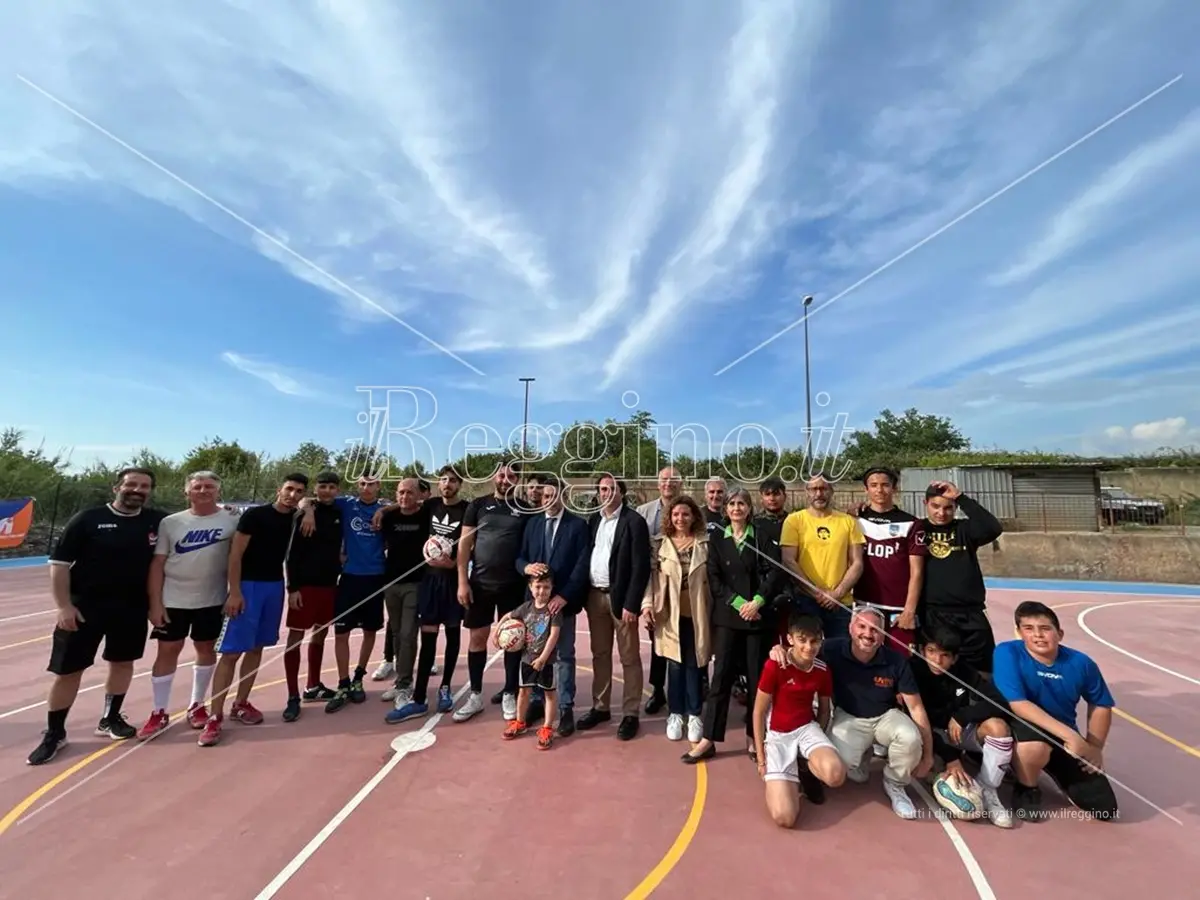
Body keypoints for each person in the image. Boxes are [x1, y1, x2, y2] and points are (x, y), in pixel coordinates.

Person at [27, 468, 165, 766]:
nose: (137, 490)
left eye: (144, 486)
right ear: (117, 486)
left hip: (131, 608)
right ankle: (55, 733)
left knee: (122, 663)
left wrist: (231, 512)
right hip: (84, 609)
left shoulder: (157, 521)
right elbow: (59, 564)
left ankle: (110, 719)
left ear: (150, 490)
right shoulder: (87, 520)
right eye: (131, 484)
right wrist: (63, 606)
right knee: (69, 671)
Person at [771, 606, 935, 818]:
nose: (868, 634)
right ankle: (861, 758)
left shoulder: (896, 661)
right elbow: (800, 649)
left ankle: (895, 784)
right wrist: (778, 648)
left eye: (875, 629)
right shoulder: (831, 649)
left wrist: (928, 755)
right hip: (848, 717)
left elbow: (916, 708)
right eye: (862, 626)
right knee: (837, 771)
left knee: (910, 737)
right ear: (850, 628)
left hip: (885, 716)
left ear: (882, 635)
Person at [200, 473, 307, 747]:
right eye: (289, 489)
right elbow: (234, 555)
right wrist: (234, 592)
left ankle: (241, 703)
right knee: (231, 652)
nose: (293, 495)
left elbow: (315, 502)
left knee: (257, 647)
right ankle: (215, 716)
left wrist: (311, 509)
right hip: (248, 587)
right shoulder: (255, 516)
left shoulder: (295, 518)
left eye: (299, 492)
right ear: (279, 489)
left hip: (274, 586)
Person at [137, 471, 241, 739]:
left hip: (213, 599)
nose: (204, 490)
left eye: (209, 486)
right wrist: (155, 603)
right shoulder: (170, 523)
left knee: (205, 648)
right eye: (198, 486)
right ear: (187, 492)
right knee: (168, 650)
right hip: (173, 599)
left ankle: (197, 705)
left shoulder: (233, 518)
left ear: (218, 490)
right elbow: (158, 563)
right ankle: (159, 711)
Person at [992, 601, 1119, 821]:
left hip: (1061, 732)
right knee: (1035, 747)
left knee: (1104, 808)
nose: (1038, 635)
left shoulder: (1081, 663)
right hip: (1024, 725)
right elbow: (1018, 704)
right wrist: (1071, 737)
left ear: (1059, 633)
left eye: (1045, 629)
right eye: (1029, 629)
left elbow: (1101, 704)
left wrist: (1094, 747)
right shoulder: (1007, 652)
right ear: (1019, 633)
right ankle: (1027, 787)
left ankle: (1052, 765)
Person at [685, 489, 782, 765]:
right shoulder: (717, 539)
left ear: (749, 509)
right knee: (721, 680)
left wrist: (758, 601)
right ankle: (709, 739)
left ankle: (754, 736)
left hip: (757, 618)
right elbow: (714, 579)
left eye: (742, 504)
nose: (736, 508)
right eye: (732, 504)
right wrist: (739, 603)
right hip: (729, 617)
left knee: (755, 681)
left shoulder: (761, 536)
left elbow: (774, 572)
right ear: (725, 510)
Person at [453, 462, 535, 723]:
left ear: (517, 480)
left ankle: (510, 691)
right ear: (493, 477)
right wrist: (462, 582)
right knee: (477, 638)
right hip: (480, 584)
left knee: (513, 639)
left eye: (511, 475)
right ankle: (476, 694)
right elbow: (464, 546)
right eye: (501, 474)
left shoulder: (526, 509)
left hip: (513, 585)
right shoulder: (477, 506)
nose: (505, 478)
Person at [299, 474, 388, 713]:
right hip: (349, 577)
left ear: (378, 485)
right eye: (362, 483)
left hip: (376, 577)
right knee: (342, 632)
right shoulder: (347, 504)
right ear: (356, 486)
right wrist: (307, 512)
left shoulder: (386, 508)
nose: (366, 487)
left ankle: (359, 676)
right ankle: (343, 682)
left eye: (371, 483)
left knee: (370, 631)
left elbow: (414, 503)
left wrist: (386, 510)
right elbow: (307, 500)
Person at [910, 628, 1014, 827]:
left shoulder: (964, 672)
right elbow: (915, 719)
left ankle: (988, 788)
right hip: (926, 735)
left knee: (998, 728)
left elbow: (999, 702)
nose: (937, 660)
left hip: (957, 732)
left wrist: (962, 716)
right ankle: (940, 770)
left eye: (945, 655)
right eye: (931, 651)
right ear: (923, 651)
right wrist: (951, 758)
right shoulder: (912, 670)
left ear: (955, 658)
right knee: (928, 761)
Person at [386, 465, 467, 723]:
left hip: (453, 581)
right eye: (443, 480)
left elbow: (471, 544)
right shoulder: (431, 505)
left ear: (459, 485)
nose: (447, 484)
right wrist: (382, 509)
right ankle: (419, 698)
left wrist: (454, 565)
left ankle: (445, 688)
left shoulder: (468, 509)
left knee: (453, 636)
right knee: (428, 637)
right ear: (438, 484)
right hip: (430, 582)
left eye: (453, 481)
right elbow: (403, 506)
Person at [513, 473, 590, 737]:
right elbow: (519, 557)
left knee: (564, 657)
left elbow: (582, 566)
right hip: (535, 608)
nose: (549, 500)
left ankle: (566, 708)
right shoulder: (532, 524)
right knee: (534, 655)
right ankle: (536, 700)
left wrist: (564, 595)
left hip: (561, 605)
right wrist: (526, 567)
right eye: (545, 496)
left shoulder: (578, 526)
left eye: (554, 495)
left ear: (563, 497)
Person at [753, 612, 847, 828]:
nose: (808, 647)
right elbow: (758, 712)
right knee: (785, 818)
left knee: (835, 775)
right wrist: (761, 758)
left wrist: (818, 741)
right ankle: (790, 777)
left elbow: (824, 710)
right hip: (778, 735)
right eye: (802, 640)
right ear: (790, 639)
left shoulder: (822, 671)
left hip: (806, 728)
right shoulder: (775, 666)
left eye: (814, 641)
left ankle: (804, 765)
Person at [576, 475, 652, 741]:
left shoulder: (634, 521)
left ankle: (630, 713)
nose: (606, 492)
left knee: (629, 657)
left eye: (611, 488)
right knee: (600, 654)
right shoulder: (594, 520)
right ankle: (601, 707)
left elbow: (641, 566)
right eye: (602, 489)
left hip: (622, 601)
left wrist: (632, 603)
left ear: (621, 491)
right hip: (595, 596)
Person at [642, 496, 712, 744]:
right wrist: (647, 605)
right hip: (669, 613)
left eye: (686, 514)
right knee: (674, 664)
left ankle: (694, 714)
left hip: (698, 613)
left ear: (694, 516)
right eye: (676, 515)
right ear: (669, 517)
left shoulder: (706, 543)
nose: (680, 519)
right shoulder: (659, 544)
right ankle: (675, 713)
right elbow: (650, 578)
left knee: (695, 664)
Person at [918, 481, 1003, 673]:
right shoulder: (917, 529)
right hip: (934, 615)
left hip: (971, 616)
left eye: (949, 507)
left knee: (983, 671)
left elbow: (993, 528)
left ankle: (977, 703)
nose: (942, 513)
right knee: (938, 671)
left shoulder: (965, 529)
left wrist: (961, 497)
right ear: (925, 503)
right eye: (936, 506)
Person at [280, 470, 343, 722]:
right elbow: (291, 554)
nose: (327, 491)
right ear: (315, 489)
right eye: (323, 486)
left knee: (321, 633)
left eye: (331, 487)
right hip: (304, 586)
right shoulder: (302, 514)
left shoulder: (339, 512)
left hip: (329, 584)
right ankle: (292, 695)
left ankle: (313, 685)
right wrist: (292, 588)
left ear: (337, 490)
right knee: (296, 637)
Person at [779, 473, 864, 636]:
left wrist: (837, 594)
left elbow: (857, 563)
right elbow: (788, 561)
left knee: (838, 655)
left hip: (840, 602)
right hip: (806, 600)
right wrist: (817, 593)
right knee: (807, 654)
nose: (819, 493)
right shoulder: (794, 520)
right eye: (814, 489)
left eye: (823, 488)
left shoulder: (847, 521)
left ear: (831, 491)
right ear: (807, 491)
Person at [852, 467, 925, 652]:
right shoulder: (853, 520)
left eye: (885, 485)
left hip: (898, 610)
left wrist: (909, 610)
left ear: (895, 488)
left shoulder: (912, 523)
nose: (879, 490)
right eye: (874, 485)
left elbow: (917, 572)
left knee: (900, 663)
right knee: (863, 661)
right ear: (865, 489)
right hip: (863, 605)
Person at [378, 478, 432, 713]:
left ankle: (404, 684)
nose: (404, 497)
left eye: (410, 492)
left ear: (420, 494)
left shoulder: (426, 515)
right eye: (401, 492)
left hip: (416, 584)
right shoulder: (388, 517)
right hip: (391, 583)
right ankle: (401, 677)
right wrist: (384, 508)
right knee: (397, 633)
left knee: (409, 634)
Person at [495, 571, 563, 749]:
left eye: (546, 587)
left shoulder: (553, 610)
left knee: (549, 694)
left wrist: (542, 658)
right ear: (530, 588)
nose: (542, 591)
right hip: (527, 660)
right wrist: (497, 632)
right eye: (538, 587)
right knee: (523, 692)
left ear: (552, 588)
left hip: (546, 661)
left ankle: (547, 727)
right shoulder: (525, 608)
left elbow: (554, 636)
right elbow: (507, 616)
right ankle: (520, 722)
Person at [635, 466, 681, 714]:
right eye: (664, 479)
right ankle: (657, 690)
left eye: (673, 480)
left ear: (680, 484)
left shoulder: (689, 512)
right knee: (657, 642)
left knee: (683, 640)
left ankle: (680, 689)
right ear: (657, 483)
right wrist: (646, 599)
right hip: (656, 584)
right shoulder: (643, 513)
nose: (668, 483)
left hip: (682, 586)